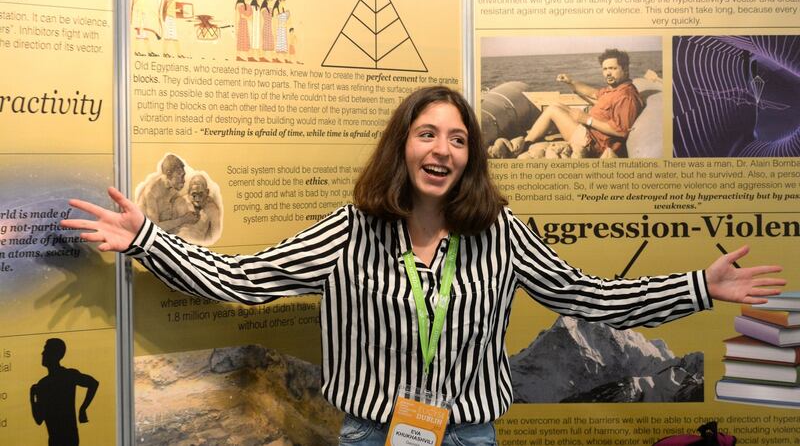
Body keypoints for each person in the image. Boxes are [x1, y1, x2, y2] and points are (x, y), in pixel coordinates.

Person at [61, 86, 784, 445]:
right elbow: (246, 280)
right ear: (402, 145)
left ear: (471, 155)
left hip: (468, 434)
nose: (443, 150)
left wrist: (701, 285)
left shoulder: (500, 234)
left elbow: (585, 294)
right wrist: (146, 241)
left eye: (459, 139)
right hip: (373, 433)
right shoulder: (350, 233)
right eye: (428, 133)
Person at [522, 48, 644, 158]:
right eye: (605, 69)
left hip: (592, 144)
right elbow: (592, 93)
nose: (608, 73)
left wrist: (587, 120)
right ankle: (529, 141)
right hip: (588, 132)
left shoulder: (626, 96)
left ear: (626, 69)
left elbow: (621, 131)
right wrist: (570, 82)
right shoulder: (615, 89)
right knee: (557, 105)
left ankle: (525, 144)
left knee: (553, 110)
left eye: (613, 68)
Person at [30, 338, 99, 446]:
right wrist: (32, 397)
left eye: (46, 350)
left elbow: (93, 383)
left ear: (56, 354)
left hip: (65, 438)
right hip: (59, 439)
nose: (42, 353)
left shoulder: (63, 377)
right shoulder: (47, 383)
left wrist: (83, 408)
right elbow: (39, 419)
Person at [135, 154, 199, 234]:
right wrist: (184, 219)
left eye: (184, 175)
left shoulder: (172, 186)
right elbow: (154, 228)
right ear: (169, 174)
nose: (183, 180)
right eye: (180, 176)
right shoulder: (151, 193)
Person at [174, 174, 222, 245]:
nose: (197, 199)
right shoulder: (179, 203)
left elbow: (216, 237)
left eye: (201, 194)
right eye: (194, 195)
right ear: (188, 192)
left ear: (207, 192)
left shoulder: (212, 209)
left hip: (197, 249)